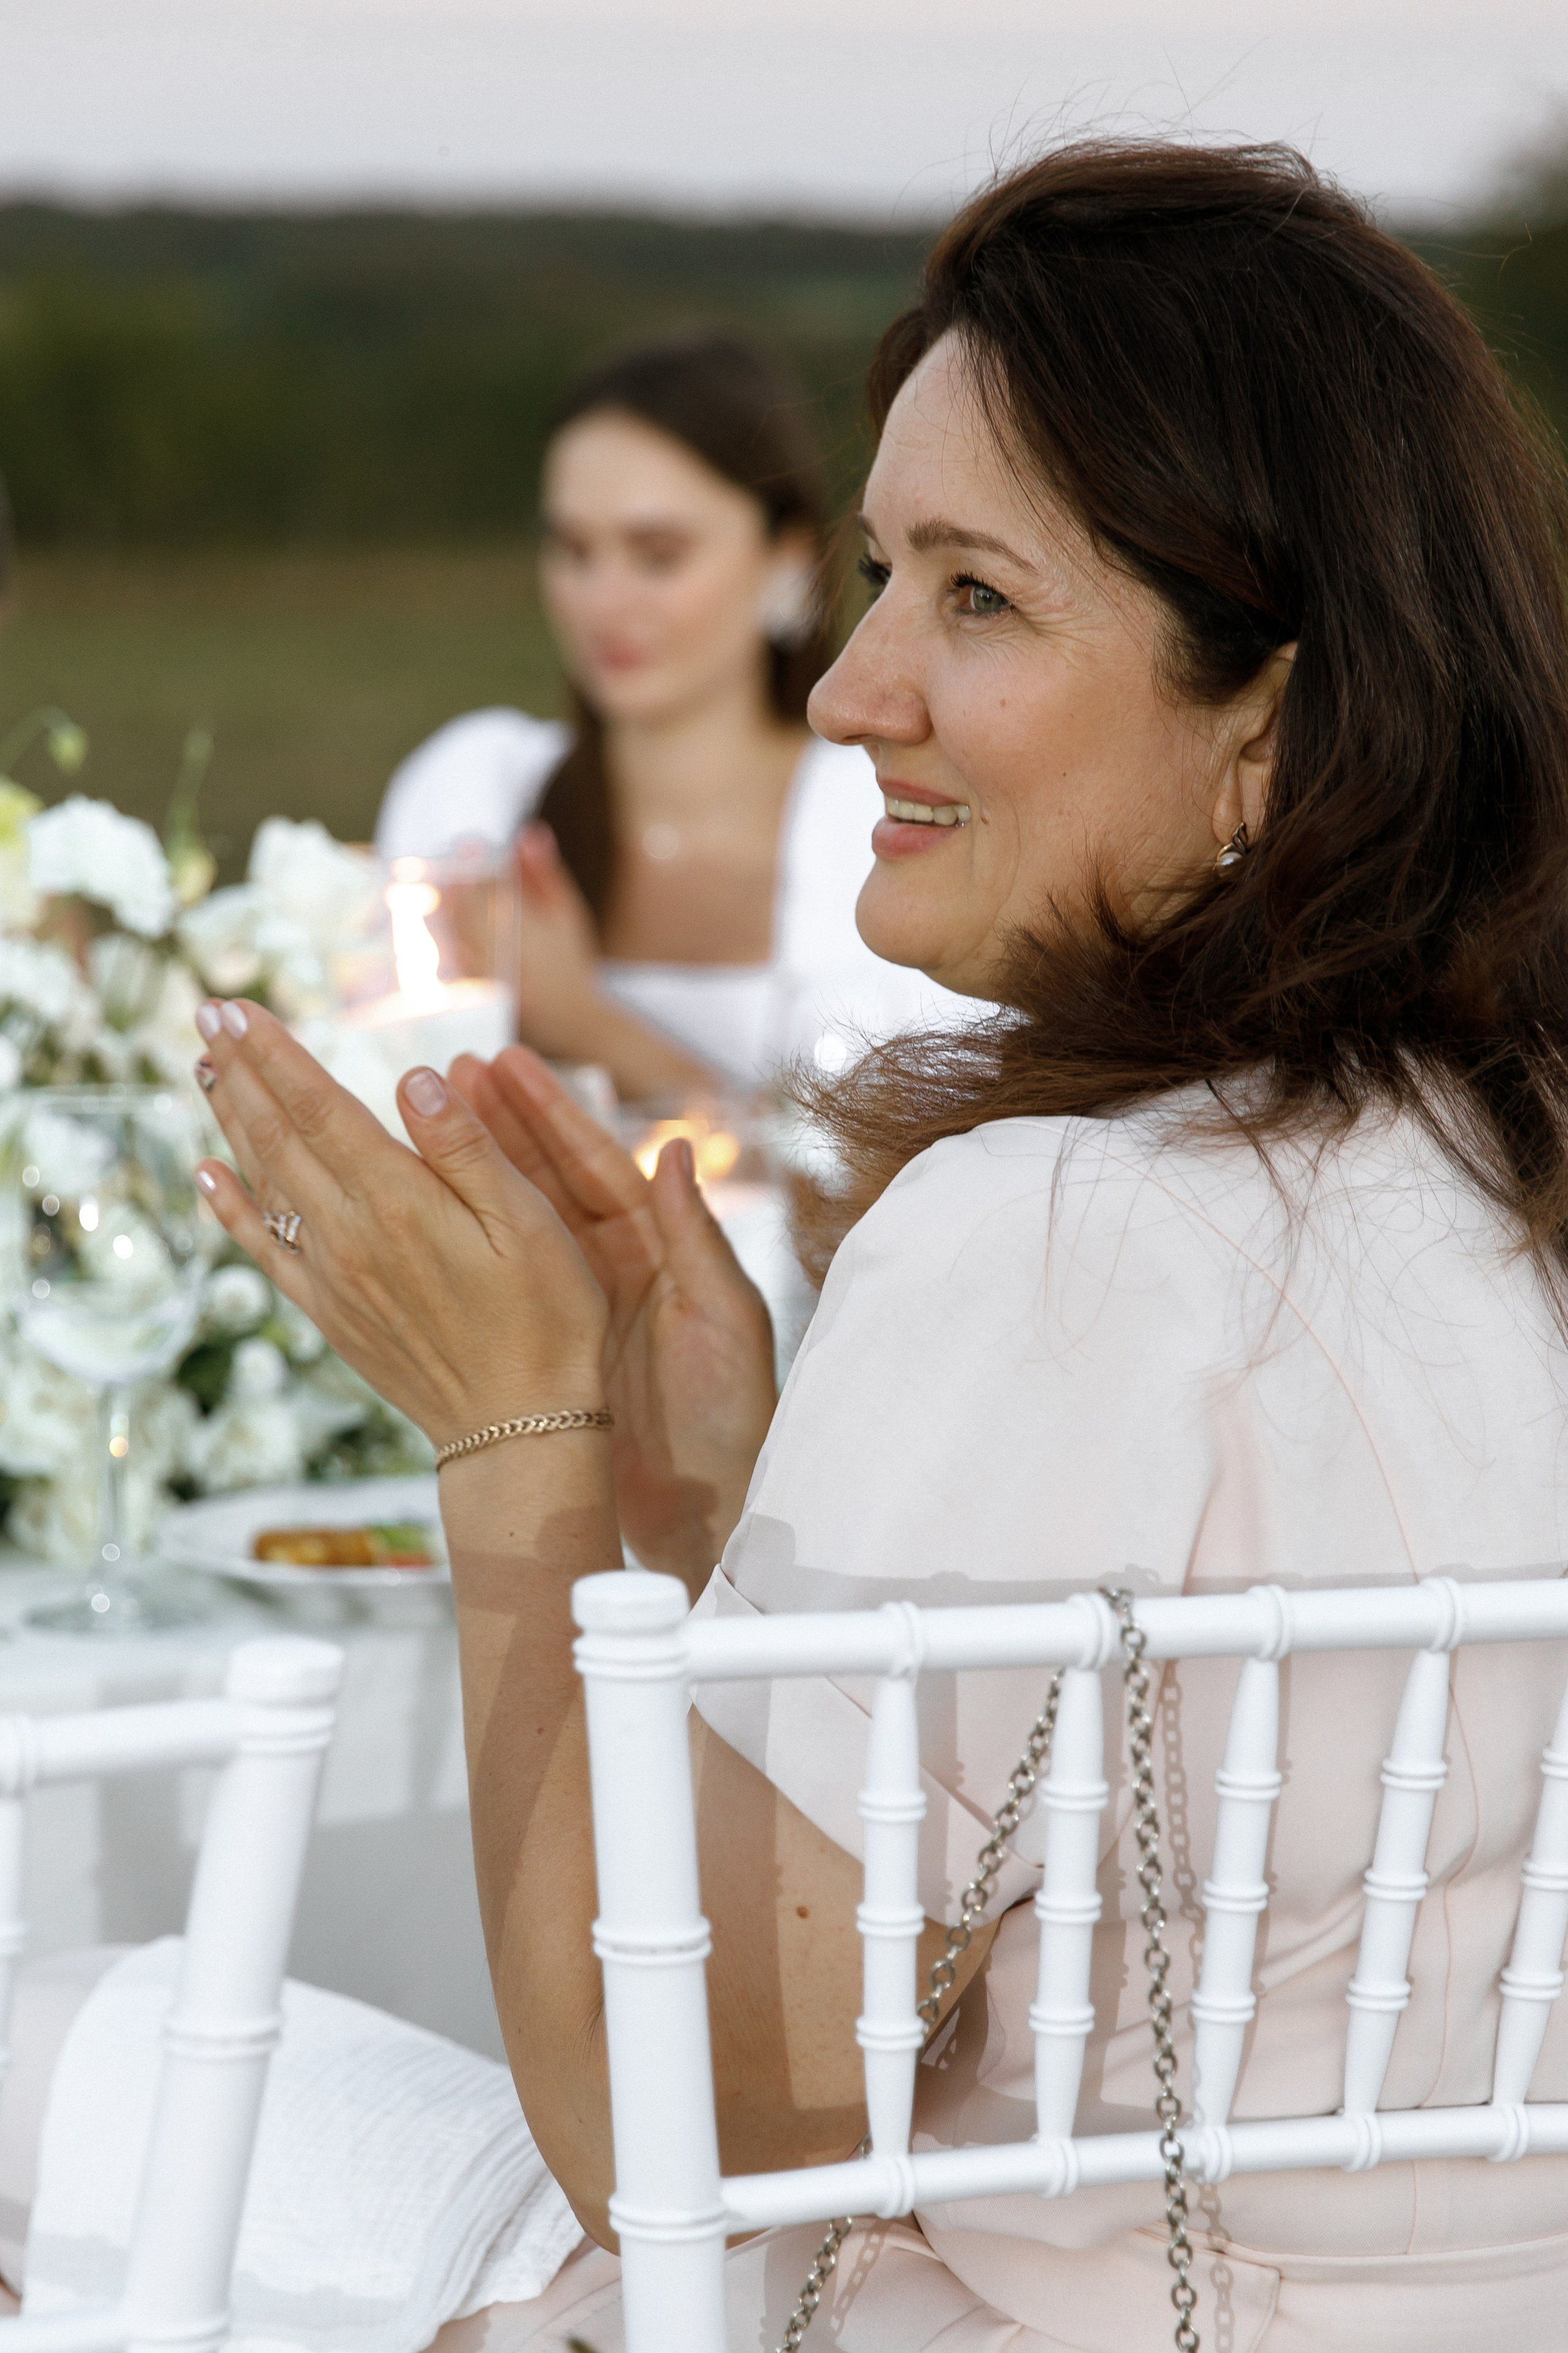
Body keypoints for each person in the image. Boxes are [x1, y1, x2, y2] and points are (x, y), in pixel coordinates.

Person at [192, 138, 1568, 2349]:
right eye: (871, 576)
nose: (847, 692)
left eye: (975, 599)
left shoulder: (1059, 1229)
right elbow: (1131, 1818)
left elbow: (697, 2130)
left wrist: (515, 1442)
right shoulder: (1495, 1163)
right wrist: (725, 1502)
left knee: (81, 2052)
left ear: (1274, 729)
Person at [375, 330, 964, 1099]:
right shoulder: (476, 796)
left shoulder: (882, 820)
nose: (603, 602)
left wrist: (591, 1028)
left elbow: (881, 1195)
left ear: (784, 558)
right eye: (575, 550)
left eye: (658, 555)